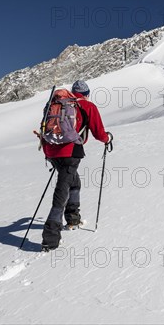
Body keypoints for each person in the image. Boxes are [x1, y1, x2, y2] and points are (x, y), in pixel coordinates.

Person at [40, 80, 112, 251]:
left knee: (73, 181)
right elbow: (99, 132)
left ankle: (72, 219)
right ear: (87, 93)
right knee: (62, 188)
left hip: (50, 150)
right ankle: (50, 237)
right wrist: (107, 139)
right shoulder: (87, 106)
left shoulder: (56, 103)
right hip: (70, 151)